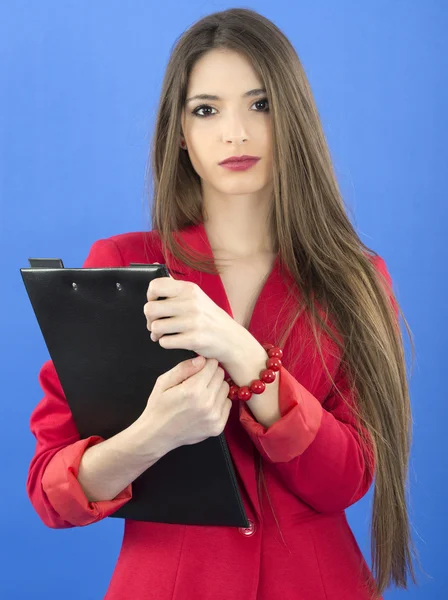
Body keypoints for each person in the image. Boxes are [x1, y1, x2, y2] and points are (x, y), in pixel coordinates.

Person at [26, 8, 418, 600]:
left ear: (294, 119)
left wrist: (247, 357)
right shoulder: (119, 267)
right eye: (206, 109)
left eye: (259, 105)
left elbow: (346, 480)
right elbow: (51, 490)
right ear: (180, 133)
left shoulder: (356, 278)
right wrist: (151, 437)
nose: (235, 131)